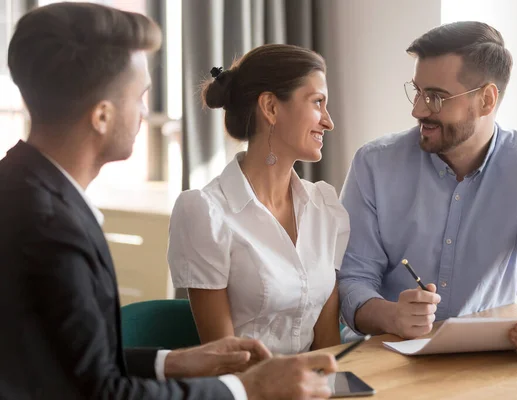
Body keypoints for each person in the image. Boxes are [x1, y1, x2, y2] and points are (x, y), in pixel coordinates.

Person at [0, 3, 337, 399]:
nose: (145, 112)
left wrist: (170, 361)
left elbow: (73, 360)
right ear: (102, 116)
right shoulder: (50, 227)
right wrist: (246, 389)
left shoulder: (26, 191)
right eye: (140, 96)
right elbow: (100, 393)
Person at [338, 21, 517, 359]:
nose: (418, 110)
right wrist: (391, 315)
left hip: (486, 362)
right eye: (417, 91)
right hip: (387, 356)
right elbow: (352, 279)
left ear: (486, 100)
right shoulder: (373, 164)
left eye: (436, 97)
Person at [167, 44, 349, 354]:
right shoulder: (204, 212)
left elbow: (327, 346)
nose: (328, 121)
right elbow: (225, 358)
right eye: (318, 102)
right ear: (271, 108)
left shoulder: (324, 205)